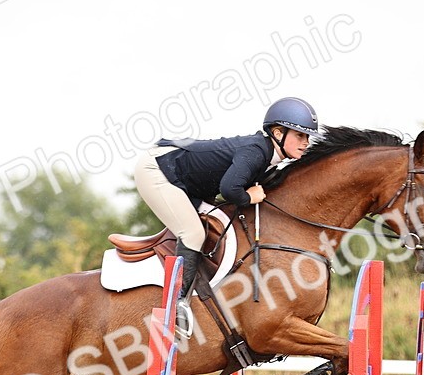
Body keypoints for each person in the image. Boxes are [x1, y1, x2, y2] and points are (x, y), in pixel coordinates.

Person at [134, 97, 321, 312]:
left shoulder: (270, 159)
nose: (306, 142)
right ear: (278, 133)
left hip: (184, 179)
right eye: (300, 135)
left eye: (307, 136)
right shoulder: (256, 151)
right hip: (158, 169)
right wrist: (249, 197)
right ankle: (175, 305)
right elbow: (229, 189)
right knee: (193, 233)